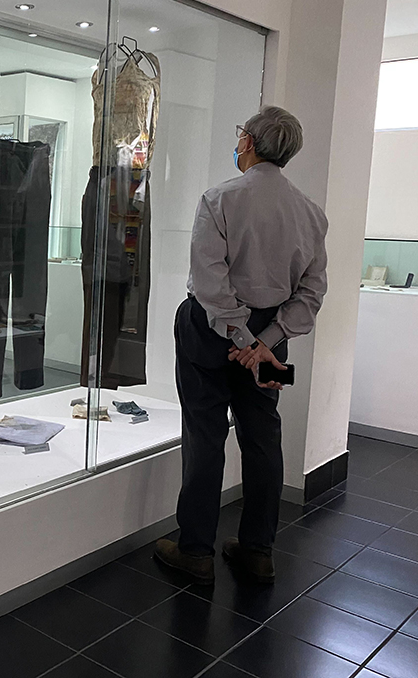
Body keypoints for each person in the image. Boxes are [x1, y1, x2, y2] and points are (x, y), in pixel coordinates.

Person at [154, 106, 328, 585]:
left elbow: (210, 285)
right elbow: (311, 295)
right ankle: (258, 550)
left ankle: (195, 551)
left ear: (248, 142)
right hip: (274, 344)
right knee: (263, 436)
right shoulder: (312, 214)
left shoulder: (219, 199)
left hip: (211, 332)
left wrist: (243, 338)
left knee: (206, 435)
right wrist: (266, 342)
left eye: (239, 136)